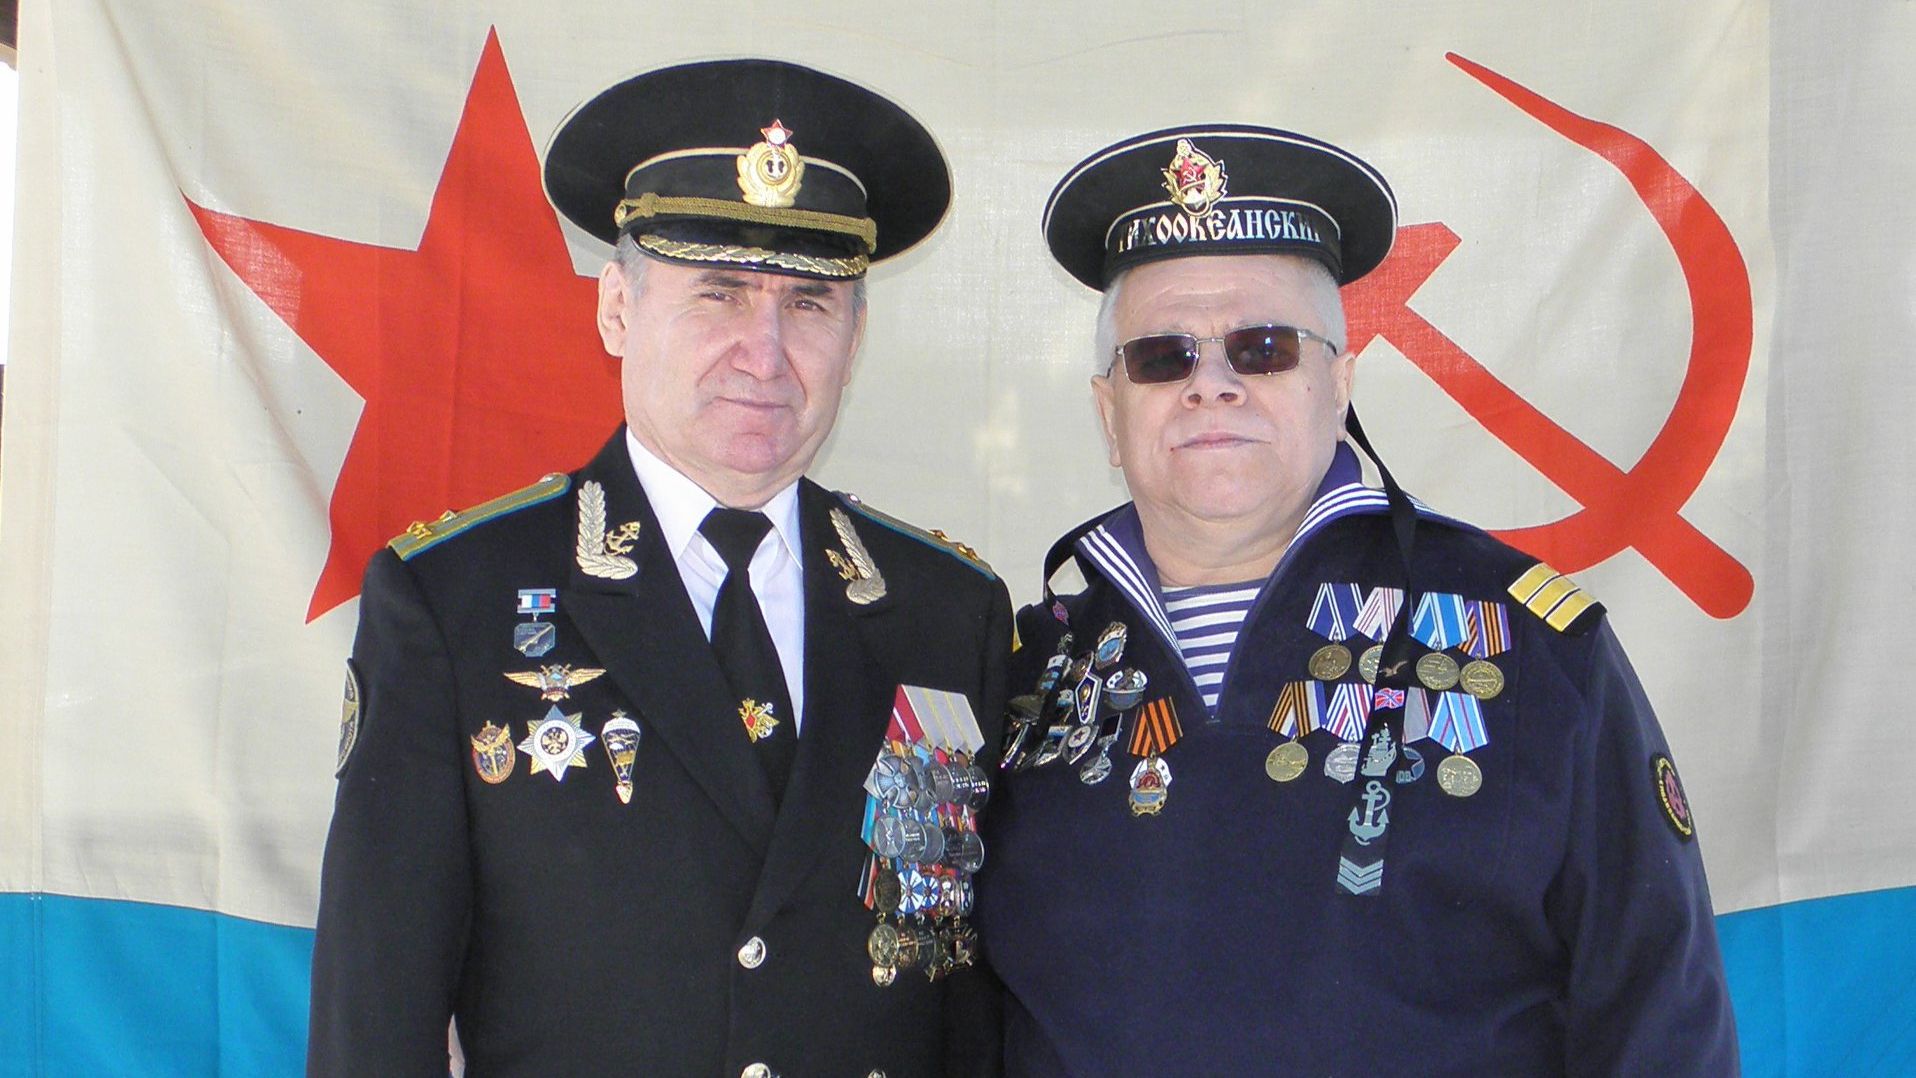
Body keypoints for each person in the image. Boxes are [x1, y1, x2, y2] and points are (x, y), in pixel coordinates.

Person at [974, 125, 1738, 1074]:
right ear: (1108, 409)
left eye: (1262, 348)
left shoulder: (1531, 647)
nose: (1212, 386)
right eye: (1163, 357)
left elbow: (1659, 1013)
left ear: (1339, 386)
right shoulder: (1020, 677)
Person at [308, 59, 1011, 1077]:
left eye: (809, 304)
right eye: (718, 294)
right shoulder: (455, 602)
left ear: (856, 337)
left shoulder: (947, 613)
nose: (763, 353)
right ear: (616, 311)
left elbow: (968, 1008)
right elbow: (375, 1016)